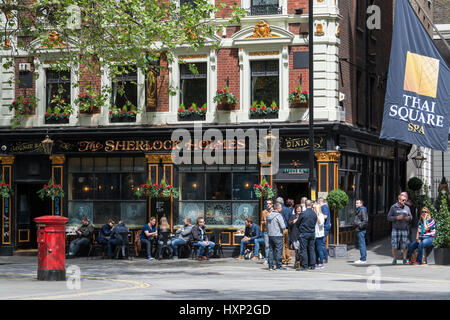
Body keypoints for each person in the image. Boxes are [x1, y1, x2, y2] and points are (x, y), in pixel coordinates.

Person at [387, 193, 412, 264]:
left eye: (405, 200)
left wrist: (409, 218)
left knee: (405, 245)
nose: (405, 202)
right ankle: (394, 259)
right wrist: (396, 218)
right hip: (396, 229)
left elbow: (411, 217)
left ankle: (404, 259)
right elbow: (388, 217)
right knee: (394, 244)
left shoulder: (407, 208)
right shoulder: (393, 207)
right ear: (399, 200)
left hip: (405, 229)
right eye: (403, 200)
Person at [295, 200, 317, 271]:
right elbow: (315, 222)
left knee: (303, 250)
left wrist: (301, 228)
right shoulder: (314, 213)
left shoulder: (303, 213)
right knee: (311, 249)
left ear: (305, 205)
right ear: (311, 205)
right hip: (312, 233)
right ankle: (313, 265)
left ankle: (305, 265)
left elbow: (298, 223)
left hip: (304, 233)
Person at [266, 202, 287, 271]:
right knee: (278, 251)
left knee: (271, 250)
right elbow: (283, 226)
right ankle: (278, 266)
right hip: (278, 235)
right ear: (278, 208)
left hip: (270, 235)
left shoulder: (268, 215)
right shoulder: (278, 216)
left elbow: (267, 225)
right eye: (280, 207)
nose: (281, 209)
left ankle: (270, 266)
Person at [276, 197, 291, 265]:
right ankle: (288, 259)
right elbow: (288, 219)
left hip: (280, 229)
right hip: (287, 229)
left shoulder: (278, 209)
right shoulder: (288, 209)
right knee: (287, 244)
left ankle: (283, 259)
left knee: (281, 244)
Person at [353, 200, 369, 264]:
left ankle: (363, 259)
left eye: (357, 203)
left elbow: (365, 220)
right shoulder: (359, 210)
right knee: (361, 244)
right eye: (356, 203)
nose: (356, 204)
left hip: (361, 230)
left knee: (362, 244)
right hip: (359, 229)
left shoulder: (362, 210)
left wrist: (359, 227)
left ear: (361, 204)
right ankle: (363, 258)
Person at [318, 197, 331, 263]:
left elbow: (325, 216)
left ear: (320, 202)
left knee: (323, 243)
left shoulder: (324, 207)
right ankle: (323, 257)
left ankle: (324, 258)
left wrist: (318, 215)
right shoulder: (324, 207)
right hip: (324, 226)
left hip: (325, 226)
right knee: (322, 242)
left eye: (318, 202)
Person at [289, 204, 302, 269]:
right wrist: (293, 222)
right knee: (297, 250)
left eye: (300, 209)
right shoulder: (293, 216)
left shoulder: (303, 216)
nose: (299, 210)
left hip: (301, 235)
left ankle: (299, 262)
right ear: (295, 210)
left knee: (301, 250)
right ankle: (297, 262)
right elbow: (289, 224)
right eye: (297, 209)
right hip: (294, 235)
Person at [261, 198, 274, 265]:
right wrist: (264, 222)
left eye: (269, 204)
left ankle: (273, 259)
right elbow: (261, 221)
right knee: (267, 246)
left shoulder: (274, 211)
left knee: (273, 246)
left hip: (273, 231)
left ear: (272, 204)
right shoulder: (264, 212)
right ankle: (267, 259)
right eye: (267, 203)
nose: (268, 205)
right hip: (266, 230)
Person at [313, 203, 325, 269]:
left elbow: (320, 224)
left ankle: (321, 263)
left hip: (319, 235)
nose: (313, 209)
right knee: (315, 249)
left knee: (319, 249)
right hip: (314, 234)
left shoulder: (321, 215)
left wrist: (317, 216)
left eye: (314, 208)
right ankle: (316, 262)